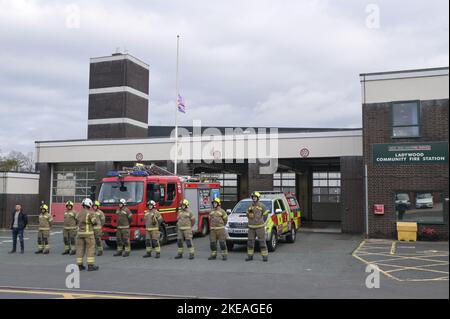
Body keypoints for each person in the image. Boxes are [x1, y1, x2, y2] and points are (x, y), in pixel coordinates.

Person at [75, 198, 99, 271]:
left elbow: (76, 221)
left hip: (79, 234)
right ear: (89, 205)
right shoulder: (90, 213)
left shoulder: (78, 213)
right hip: (89, 234)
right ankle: (90, 266)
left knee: (80, 249)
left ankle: (79, 265)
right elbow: (94, 222)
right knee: (90, 249)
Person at [246, 191, 269, 262]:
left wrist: (261, 222)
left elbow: (265, 215)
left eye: (255, 197)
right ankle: (250, 256)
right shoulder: (249, 206)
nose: (254, 198)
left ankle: (265, 257)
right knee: (250, 242)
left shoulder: (262, 206)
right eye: (253, 197)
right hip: (251, 228)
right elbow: (247, 215)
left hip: (260, 227)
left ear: (258, 198)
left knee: (262, 242)